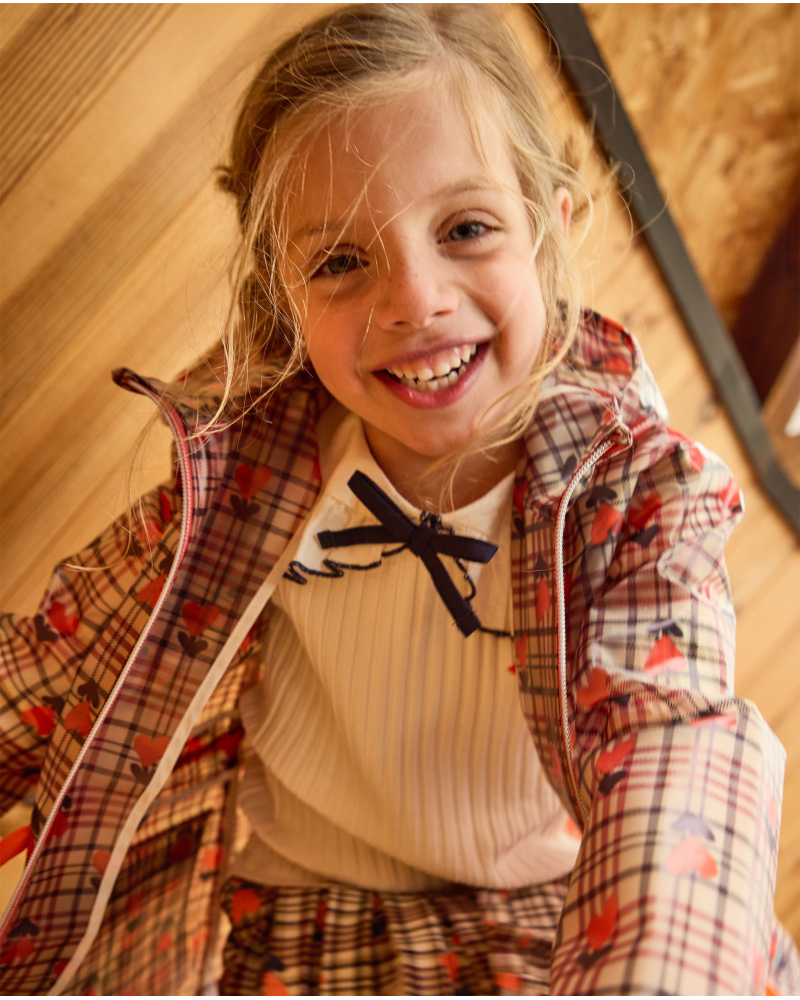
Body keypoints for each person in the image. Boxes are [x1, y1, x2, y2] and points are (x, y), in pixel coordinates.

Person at [0, 4, 797, 996]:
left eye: (465, 228)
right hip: (278, 912)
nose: (415, 299)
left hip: (531, 921)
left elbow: (673, 753)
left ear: (548, 229)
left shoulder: (632, 497)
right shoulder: (246, 472)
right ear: (283, 294)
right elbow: (56, 665)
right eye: (340, 260)